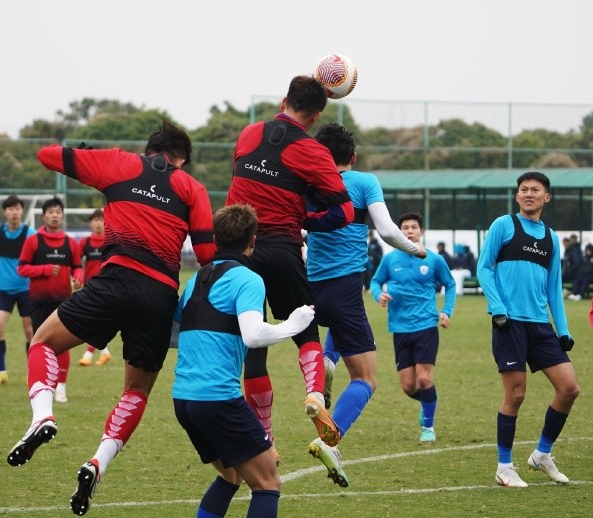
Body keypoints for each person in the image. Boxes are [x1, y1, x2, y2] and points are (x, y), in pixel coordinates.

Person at [6, 120, 215, 516]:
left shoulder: (118, 162)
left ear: (149, 149)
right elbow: (207, 256)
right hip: (158, 297)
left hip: (113, 283)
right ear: (182, 160)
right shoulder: (193, 188)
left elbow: (46, 155)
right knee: (136, 391)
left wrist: (89, 160)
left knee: (42, 342)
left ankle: (42, 416)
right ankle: (97, 463)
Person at [225, 75, 355, 452]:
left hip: (237, 253)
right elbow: (344, 212)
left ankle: (265, 435)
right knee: (306, 330)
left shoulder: (249, 133)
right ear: (315, 117)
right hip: (281, 249)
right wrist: (306, 219)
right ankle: (314, 392)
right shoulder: (313, 151)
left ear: (284, 102)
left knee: (253, 345)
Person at [173, 204, 314, 518]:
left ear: (215, 239)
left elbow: (175, 332)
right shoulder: (248, 279)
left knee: (230, 476)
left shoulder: (196, 279)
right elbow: (253, 336)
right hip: (217, 398)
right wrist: (293, 324)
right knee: (267, 482)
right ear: (253, 240)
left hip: (183, 399)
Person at [305, 123, 426, 487]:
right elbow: (387, 230)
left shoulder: (307, 183)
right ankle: (329, 439)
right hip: (345, 288)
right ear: (353, 157)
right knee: (366, 379)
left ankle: (327, 362)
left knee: (338, 330)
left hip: (311, 288)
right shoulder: (363, 182)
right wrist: (416, 249)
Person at [476, 171, 579, 488]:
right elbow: (484, 268)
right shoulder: (503, 225)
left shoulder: (551, 237)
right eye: (523, 189)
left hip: (540, 326)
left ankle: (542, 454)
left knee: (569, 388)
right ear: (516, 196)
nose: (528, 194)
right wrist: (498, 308)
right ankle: (504, 467)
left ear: (546, 197)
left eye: (535, 189)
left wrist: (563, 330)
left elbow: (553, 288)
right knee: (516, 394)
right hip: (510, 323)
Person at [371, 212, 455, 444]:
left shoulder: (434, 259)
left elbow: (450, 284)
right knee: (409, 386)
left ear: (422, 231)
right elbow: (375, 281)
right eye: (405, 228)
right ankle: (429, 401)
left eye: (414, 227)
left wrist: (446, 311)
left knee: (424, 379)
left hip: (426, 326)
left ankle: (428, 427)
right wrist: (379, 295)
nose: (409, 231)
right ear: (399, 232)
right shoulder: (390, 259)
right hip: (400, 328)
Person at [17, 196, 83, 403]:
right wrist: (44, 270)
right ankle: (41, 384)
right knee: (40, 344)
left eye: (58, 212)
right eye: (51, 212)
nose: (55, 216)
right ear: (43, 216)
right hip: (38, 302)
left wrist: (78, 278)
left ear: (62, 216)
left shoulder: (70, 243)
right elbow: (22, 268)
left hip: (63, 302)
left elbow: (77, 267)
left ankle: (61, 388)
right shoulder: (33, 241)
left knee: (63, 343)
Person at [0, 193, 36, 385]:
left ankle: (33, 373)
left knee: (30, 331)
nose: (14, 212)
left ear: (22, 211)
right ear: (5, 212)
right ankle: (1, 372)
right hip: (4, 292)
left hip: (27, 291)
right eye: (11, 209)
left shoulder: (31, 235)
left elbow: (38, 262)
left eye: (17, 208)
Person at [77, 209, 113, 366]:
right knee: (93, 320)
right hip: (89, 288)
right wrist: (76, 277)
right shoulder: (85, 242)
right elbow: (75, 262)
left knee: (94, 320)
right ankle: (104, 352)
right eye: (96, 220)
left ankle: (88, 354)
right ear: (91, 223)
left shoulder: (111, 242)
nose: (99, 223)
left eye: (101, 220)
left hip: (107, 287)